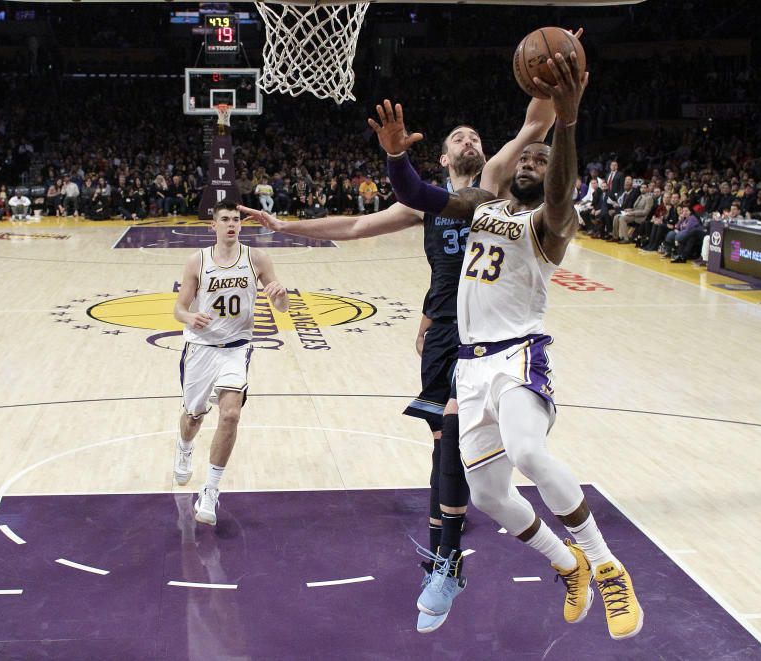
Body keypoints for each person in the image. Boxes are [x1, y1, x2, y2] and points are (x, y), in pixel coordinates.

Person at [242, 96, 557, 634]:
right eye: (457, 136)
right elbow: (357, 225)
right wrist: (285, 226)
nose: (468, 141)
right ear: (440, 157)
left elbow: (535, 121)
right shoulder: (426, 204)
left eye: (473, 136)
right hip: (443, 331)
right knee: (443, 444)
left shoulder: (497, 185)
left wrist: (554, 77)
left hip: (493, 333)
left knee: (472, 443)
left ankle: (460, 548)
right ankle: (446, 553)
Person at [372, 48, 643, 641]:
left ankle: (603, 562)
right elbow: (418, 192)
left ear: (553, 174)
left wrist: (566, 123)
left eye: (544, 159)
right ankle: (564, 561)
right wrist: (396, 156)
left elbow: (564, 189)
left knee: (528, 452)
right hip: (468, 370)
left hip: (518, 354)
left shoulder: (554, 223)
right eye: (529, 153)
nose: (533, 159)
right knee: (492, 494)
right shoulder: (481, 208)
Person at [172, 199, 289, 526]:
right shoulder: (198, 261)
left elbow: (282, 307)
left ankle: (210, 489)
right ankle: (184, 446)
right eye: (224, 219)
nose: (232, 224)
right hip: (201, 349)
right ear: (214, 225)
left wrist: (280, 296)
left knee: (231, 414)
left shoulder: (257, 258)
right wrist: (190, 315)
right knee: (193, 417)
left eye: (236, 219)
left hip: (236, 348)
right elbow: (179, 309)